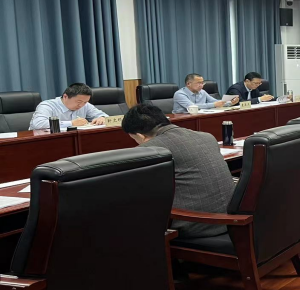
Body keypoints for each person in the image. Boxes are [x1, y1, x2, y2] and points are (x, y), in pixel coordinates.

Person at [121, 103, 235, 239]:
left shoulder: (150, 149)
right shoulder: (206, 136)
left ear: (140, 136)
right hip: (233, 219)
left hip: (197, 225)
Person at [29, 83, 108, 130]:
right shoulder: (47, 106)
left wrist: (102, 118)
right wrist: (71, 123)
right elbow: (38, 124)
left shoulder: (85, 105)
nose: (81, 105)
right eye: (79, 102)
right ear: (65, 96)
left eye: (85, 102)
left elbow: (105, 116)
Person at [173, 73, 238, 114]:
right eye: (198, 83)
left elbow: (214, 101)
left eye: (202, 83)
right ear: (188, 84)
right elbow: (193, 107)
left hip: (200, 116)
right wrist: (214, 105)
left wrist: (230, 102)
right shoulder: (180, 94)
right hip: (182, 118)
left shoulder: (202, 92)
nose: (201, 85)